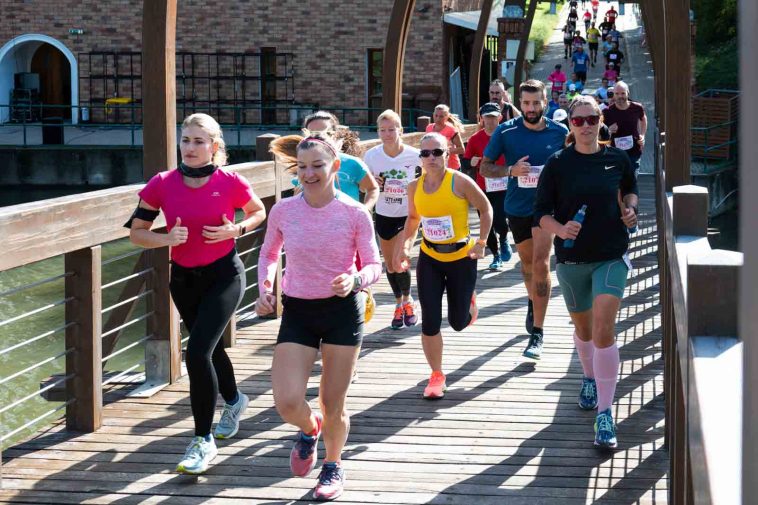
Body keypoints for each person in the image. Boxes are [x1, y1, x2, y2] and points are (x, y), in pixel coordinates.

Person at [127, 113, 267, 474]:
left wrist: (235, 229)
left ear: (214, 147)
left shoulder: (229, 180)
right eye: (186, 140)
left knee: (197, 351)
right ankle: (235, 401)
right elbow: (137, 232)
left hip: (225, 276)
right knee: (211, 349)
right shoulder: (161, 183)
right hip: (184, 280)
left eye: (199, 141)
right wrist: (164, 239)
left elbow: (258, 212)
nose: (190, 147)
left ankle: (202, 441)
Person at [255, 131, 381, 500]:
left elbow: (374, 265)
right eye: (303, 168)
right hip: (298, 309)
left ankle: (332, 464)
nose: (309, 174)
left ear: (335, 167)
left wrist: (355, 279)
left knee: (333, 402)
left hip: (342, 310)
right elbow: (268, 255)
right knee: (288, 401)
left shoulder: (354, 212)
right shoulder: (284, 210)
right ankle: (310, 429)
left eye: (317, 166)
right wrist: (265, 287)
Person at [534, 95, 638, 449]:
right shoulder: (558, 164)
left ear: (600, 120)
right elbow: (541, 214)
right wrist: (561, 230)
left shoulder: (616, 158)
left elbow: (630, 191)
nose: (585, 126)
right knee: (584, 329)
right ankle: (589, 377)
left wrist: (630, 209)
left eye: (591, 119)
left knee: (604, 329)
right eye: (577, 121)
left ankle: (606, 415)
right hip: (573, 259)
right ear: (570, 126)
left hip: (611, 254)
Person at [394, 132, 492, 399]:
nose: (431, 158)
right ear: (420, 158)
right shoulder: (414, 187)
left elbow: (485, 208)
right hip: (430, 258)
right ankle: (436, 374)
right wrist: (405, 247)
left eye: (437, 152)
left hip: (462, 258)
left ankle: (468, 301)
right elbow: (413, 219)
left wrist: (481, 241)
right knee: (430, 320)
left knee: (458, 322)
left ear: (447, 153)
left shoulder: (459, 182)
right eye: (425, 154)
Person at [480, 79, 568, 360]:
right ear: (519, 103)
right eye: (526, 103)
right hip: (517, 207)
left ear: (545, 101)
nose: (531, 108)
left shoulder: (560, 132)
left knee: (542, 263)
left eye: (536, 103)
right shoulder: (507, 131)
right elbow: (485, 166)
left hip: (547, 210)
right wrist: (510, 171)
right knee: (528, 264)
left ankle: (537, 333)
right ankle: (533, 301)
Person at [363, 110, 421, 329]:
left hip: (408, 214)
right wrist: (373, 183)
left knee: (400, 260)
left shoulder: (415, 155)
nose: (387, 134)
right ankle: (398, 305)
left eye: (391, 129)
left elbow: (430, 178)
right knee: (389, 264)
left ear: (401, 131)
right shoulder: (371, 156)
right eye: (382, 130)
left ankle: (408, 302)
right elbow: (364, 185)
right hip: (384, 213)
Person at [464, 102, 513, 270]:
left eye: (493, 117)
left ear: (500, 117)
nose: (491, 121)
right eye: (487, 117)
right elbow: (466, 160)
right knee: (487, 223)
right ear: (481, 119)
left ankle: (504, 238)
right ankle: (496, 255)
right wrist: (471, 161)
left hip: (503, 185)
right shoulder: (475, 139)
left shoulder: (507, 136)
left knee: (500, 219)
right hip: (483, 187)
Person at [298, 111, 379, 209]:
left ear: (334, 134)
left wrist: (365, 210)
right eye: (311, 134)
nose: (318, 139)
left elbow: (372, 188)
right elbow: (297, 195)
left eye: (325, 133)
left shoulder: (352, 163)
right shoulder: (303, 165)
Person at [603, 81, 647, 174]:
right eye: (617, 93)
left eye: (623, 93)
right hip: (615, 154)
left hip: (634, 152)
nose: (620, 96)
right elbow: (600, 132)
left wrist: (642, 135)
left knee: (631, 182)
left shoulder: (637, 107)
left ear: (628, 93)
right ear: (613, 95)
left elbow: (643, 119)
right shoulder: (607, 112)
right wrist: (609, 130)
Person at [426, 104, 465, 170]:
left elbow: (462, 149)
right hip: (435, 166)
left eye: (441, 116)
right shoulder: (429, 128)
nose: (438, 118)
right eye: (436, 115)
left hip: (451, 167)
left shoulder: (451, 130)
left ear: (447, 116)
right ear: (433, 114)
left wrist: (444, 151)